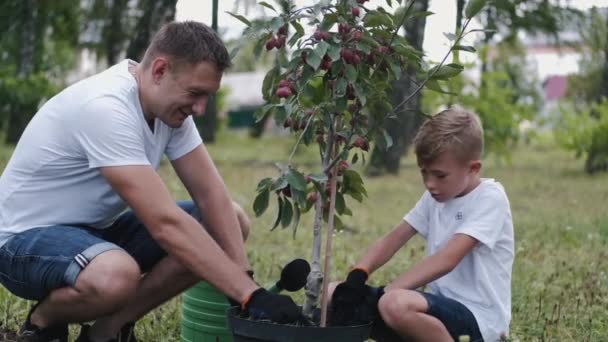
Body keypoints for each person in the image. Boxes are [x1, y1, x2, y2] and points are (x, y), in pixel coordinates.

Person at [0, 21, 302, 342]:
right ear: (159, 70)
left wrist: (244, 279)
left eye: (207, 97)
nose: (200, 108)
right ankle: (44, 320)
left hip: (93, 233)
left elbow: (211, 195)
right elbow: (164, 223)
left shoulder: (167, 108)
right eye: (195, 94)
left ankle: (106, 331)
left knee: (230, 220)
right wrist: (250, 296)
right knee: (116, 276)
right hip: (21, 243)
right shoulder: (106, 107)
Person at [329, 109, 514, 342]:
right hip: (436, 312)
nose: (429, 183)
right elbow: (392, 240)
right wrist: (357, 275)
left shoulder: (490, 198)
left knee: (393, 304)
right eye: (424, 173)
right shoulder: (435, 198)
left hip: (479, 320)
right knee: (333, 294)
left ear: (473, 168)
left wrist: (387, 293)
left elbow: (448, 259)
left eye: (439, 175)